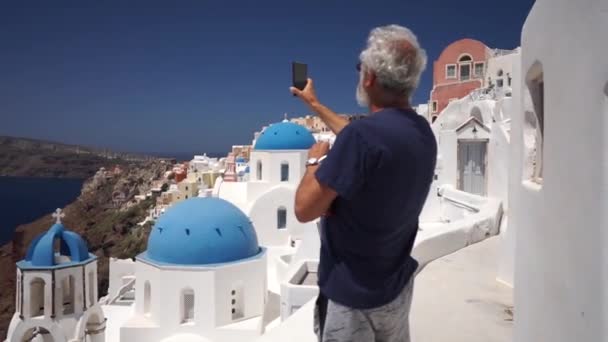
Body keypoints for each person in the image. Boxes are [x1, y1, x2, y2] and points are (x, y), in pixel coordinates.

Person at [291, 25, 437, 342]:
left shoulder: (363, 138)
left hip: (351, 298)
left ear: (369, 77)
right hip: (395, 288)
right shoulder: (420, 131)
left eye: (361, 69)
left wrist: (315, 162)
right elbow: (367, 139)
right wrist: (314, 104)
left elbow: (303, 209)